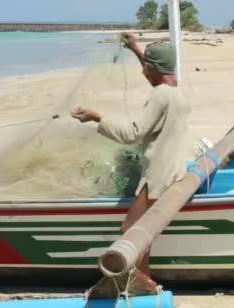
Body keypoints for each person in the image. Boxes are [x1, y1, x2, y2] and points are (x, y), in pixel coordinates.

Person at [71, 33, 191, 284]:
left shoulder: (159, 96)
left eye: (146, 67)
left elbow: (132, 134)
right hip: (174, 171)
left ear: (153, 69)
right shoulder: (176, 89)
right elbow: (157, 79)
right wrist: (137, 50)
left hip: (156, 176)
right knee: (143, 232)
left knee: (130, 231)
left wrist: (97, 118)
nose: (143, 72)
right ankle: (143, 277)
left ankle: (142, 280)